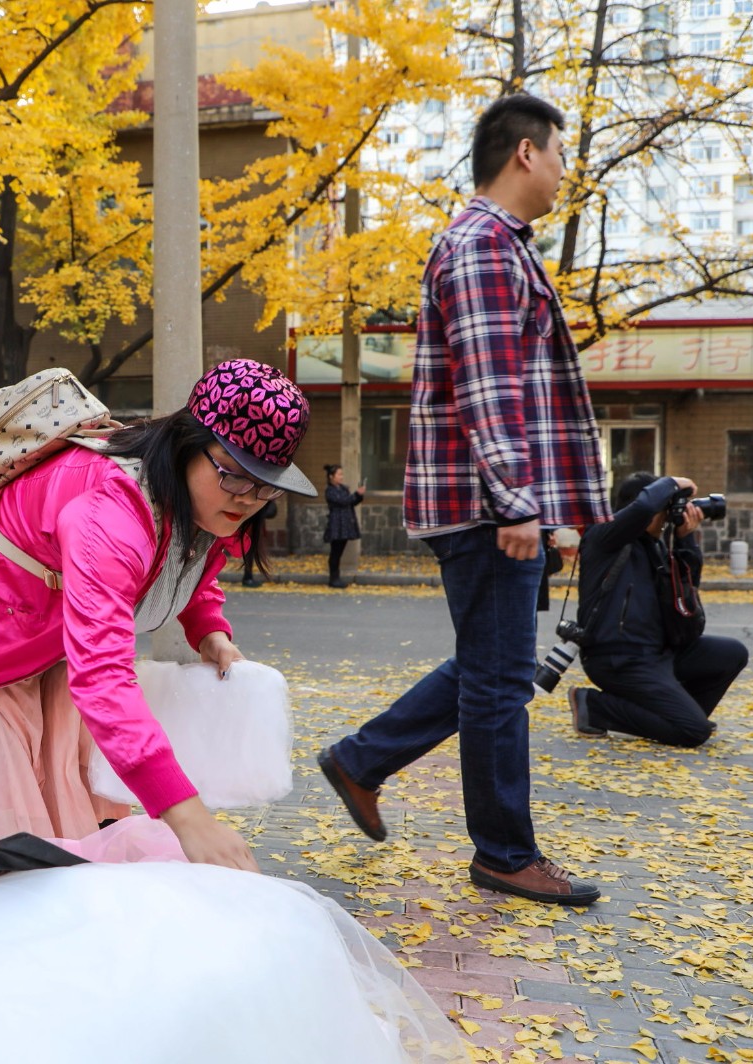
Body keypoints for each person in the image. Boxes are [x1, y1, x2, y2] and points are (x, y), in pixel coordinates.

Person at [316, 94, 610, 906]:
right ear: (524, 152)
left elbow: (515, 391)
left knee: (496, 668)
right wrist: (518, 504)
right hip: (487, 509)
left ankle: (360, 760)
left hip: (493, 504)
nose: (561, 171)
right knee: (498, 681)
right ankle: (503, 853)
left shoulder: (495, 244)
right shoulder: (483, 245)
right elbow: (490, 388)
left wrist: (541, 510)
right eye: (557, 154)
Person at [0, 359, 316, 872]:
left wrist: (207, 628)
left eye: (266, 486)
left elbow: (194, 560)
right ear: (187, 442)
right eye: (233, 476)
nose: (248, 500)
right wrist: (188, 819)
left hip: (50, 626)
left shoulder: (204, 499)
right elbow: (102, 677)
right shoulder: (111, 510)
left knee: (67, 809)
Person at [567, 473, 748, 747]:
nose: (667, 518)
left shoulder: (655, 546)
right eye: (665, 509)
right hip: (619, 659)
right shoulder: (604, 537)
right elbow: (641, 508)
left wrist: (686, 539)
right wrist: (673, 482)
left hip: (657, 654)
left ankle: (668, 716)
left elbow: (685, 595)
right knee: (694, 732)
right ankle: (594, 706)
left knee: (732, 653)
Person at [323, 464, 368, 588]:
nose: (341, 477)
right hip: (336, 525)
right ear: (331, 476)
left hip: (345, 524)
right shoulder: (330, 490)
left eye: (342, 474)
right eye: (339, 474)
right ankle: (334, 578)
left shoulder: (343, 488)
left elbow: (351, 502)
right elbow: (344, 501)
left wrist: (359, 495)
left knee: (339, 551)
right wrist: (356, 494)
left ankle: (336, 578)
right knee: (335, 552)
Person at [241, 499, 280, 587]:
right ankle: (247, 578)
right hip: (250, 528)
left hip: (253, 527)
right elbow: (271, 512)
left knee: (251, 552)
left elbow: (272, 512)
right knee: (249, 552)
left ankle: (248, 577)